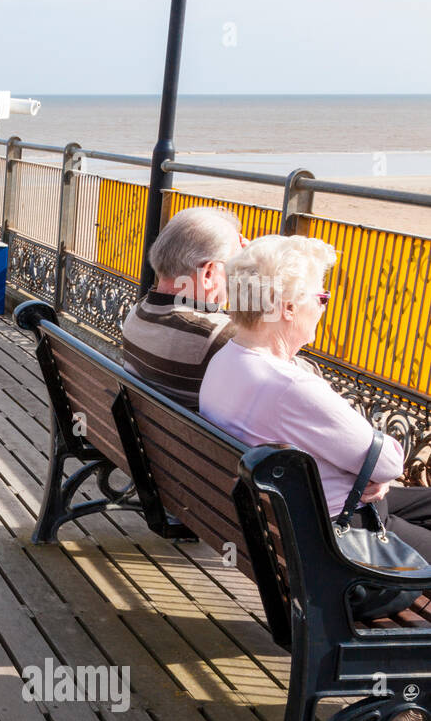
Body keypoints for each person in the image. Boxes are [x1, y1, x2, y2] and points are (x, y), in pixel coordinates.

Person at [201, 234, 431, 556]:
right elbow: (388, 462)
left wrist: (364, 474)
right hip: (340, 542)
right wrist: (368, 472)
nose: (323, 308)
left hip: (279, 529)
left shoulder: (224, 360)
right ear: (289, 308)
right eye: (321, 298)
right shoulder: (289, 385)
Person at [120, 207, 247, 409]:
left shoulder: (138, 314)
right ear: (208, 273)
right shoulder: (217, 337)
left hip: (150, 436)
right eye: (235, 268)